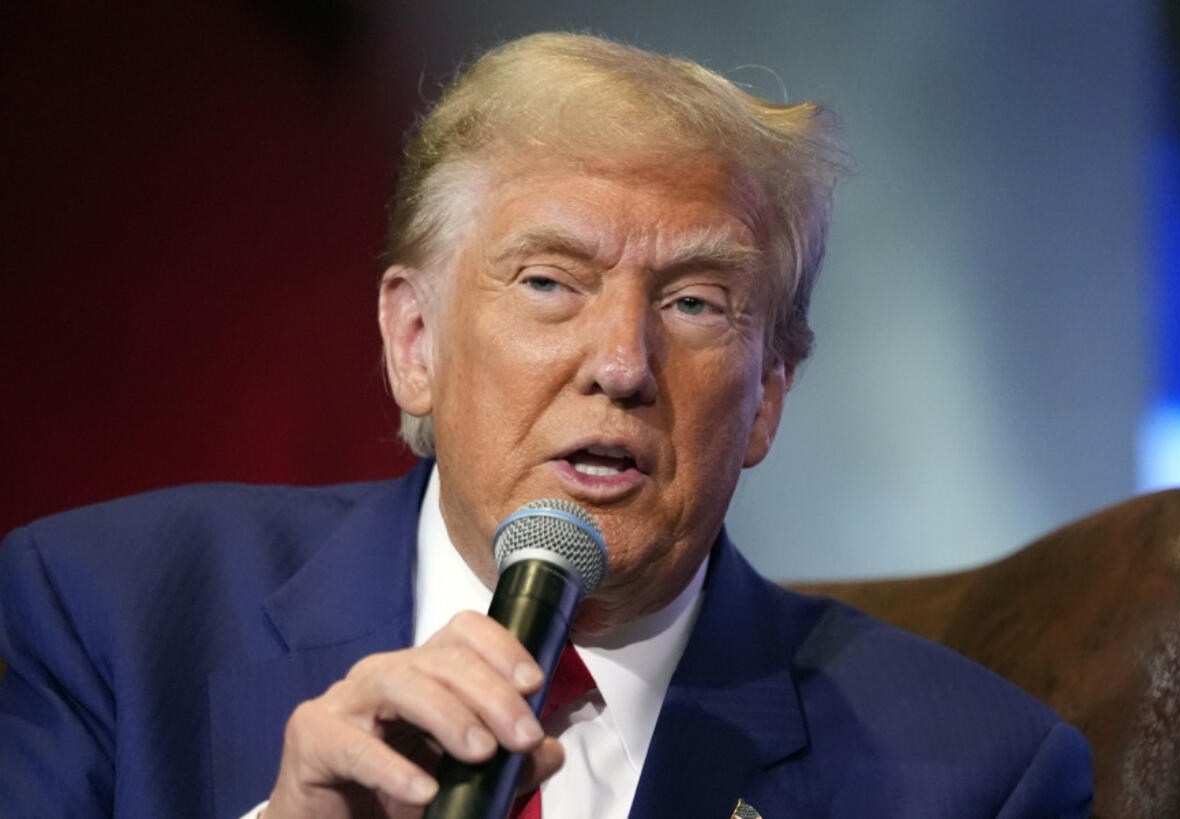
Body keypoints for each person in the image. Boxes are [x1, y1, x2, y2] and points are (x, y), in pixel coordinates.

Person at [0, 32, 1092, 818]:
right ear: (414, 343)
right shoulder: (103, 616)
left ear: (765, 397)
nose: (620, 364)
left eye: (695, 304)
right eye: (547, 282)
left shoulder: (976, 776)